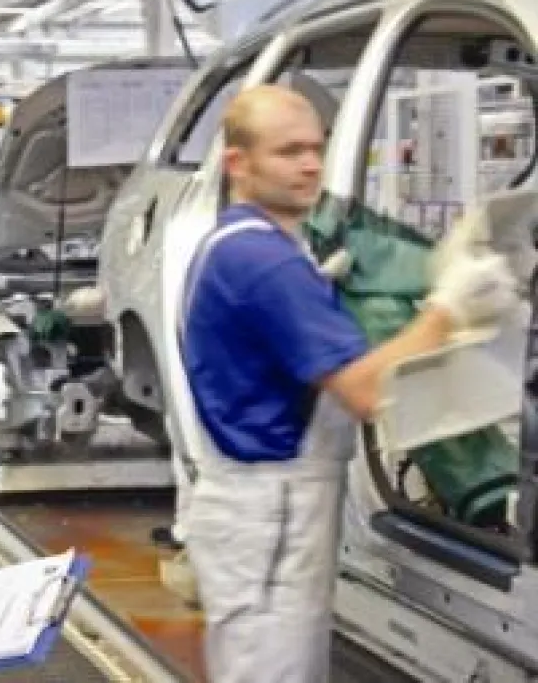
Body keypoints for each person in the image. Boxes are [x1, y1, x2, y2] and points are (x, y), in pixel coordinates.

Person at [180, 84, 519, 682]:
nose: (310, 165)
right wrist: (448, 308)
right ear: (239, 163)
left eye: (317, 148)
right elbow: (365, 392)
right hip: (271, 509)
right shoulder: (265, 263)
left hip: (263, 504)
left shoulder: (245, 244)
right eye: (288, 152)